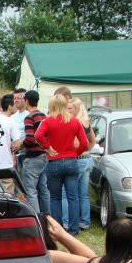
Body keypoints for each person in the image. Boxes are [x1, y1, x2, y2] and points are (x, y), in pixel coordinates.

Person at [35, 94, 88, 235]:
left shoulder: (48, 121)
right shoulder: (74, 121)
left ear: (52, 105)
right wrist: (75, 154)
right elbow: (84, 143)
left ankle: (58, 230)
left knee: (55, 197)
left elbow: (38, 135)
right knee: (73, 197)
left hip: (54, 162)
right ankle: (74, 229)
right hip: (71, 161)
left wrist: (47, 147)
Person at [62, 98, 96, 230]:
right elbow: (93, 141)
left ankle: (67, 222)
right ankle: (85, 221)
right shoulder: (86, 122)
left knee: (68, 193)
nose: (67, 110)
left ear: (76, 109)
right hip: (87, 159)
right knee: (83, 193)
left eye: (69, 108)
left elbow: (77, 144)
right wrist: (87, 151)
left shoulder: (75, 122)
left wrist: (74, 154)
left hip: (78, 159)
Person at [21, 90, 49, 214]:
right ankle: (48, 217)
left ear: (26, 101)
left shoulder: (29, 117)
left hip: (33, 157)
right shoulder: (44, 116)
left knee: (30, 190)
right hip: (44, 156)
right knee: (43, 189)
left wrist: (21, 145)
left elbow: (30, 138)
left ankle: (36, 218)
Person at [11, 88, 28, 175]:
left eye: (18, 98)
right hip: (15, 154)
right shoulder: (12, 117)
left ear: (25, 99)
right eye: (14, 98)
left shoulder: (29, 115)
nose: (16, 100)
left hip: (26, 154)